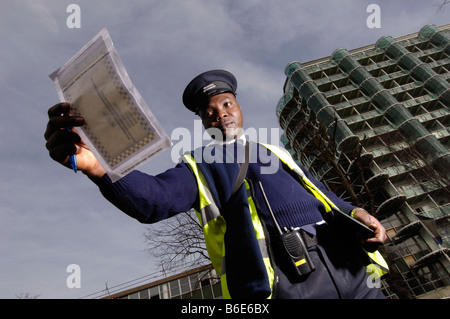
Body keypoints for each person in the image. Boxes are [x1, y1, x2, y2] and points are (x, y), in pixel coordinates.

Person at [45, 69, 388, 299]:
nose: (220, 113)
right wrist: (100, 168)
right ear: (203, 122)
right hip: (287, 285)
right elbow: (153, 200)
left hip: (354, 271)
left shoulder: (275, 151)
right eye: (209, 112)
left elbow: (323, 195)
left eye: (226, 104)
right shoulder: (201, 164)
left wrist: (356, 211)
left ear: (239, 108)